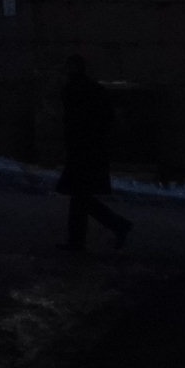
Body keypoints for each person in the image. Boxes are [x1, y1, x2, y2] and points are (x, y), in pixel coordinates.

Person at [59, 55, 131, 251]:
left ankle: (113, 226)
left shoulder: (73, 91)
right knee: (81, 197)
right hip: (92, 150)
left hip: (82, 151)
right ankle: (82, 239)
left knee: (80, 197)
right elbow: (106, 119)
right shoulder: (94, 90)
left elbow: (72, 124)